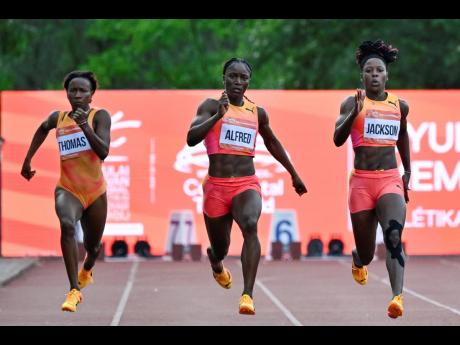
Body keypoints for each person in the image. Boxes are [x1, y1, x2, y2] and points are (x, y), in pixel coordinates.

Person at [187, 58, 307, 315]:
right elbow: (191, 138)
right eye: (233, 76)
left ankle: (247, 295)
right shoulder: (209, 106)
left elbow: (273, 143)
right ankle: (216, 261)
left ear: (249, 82)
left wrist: (294, 174)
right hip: (216, 187)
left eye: (243, 78)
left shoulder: (257, 113)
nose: (238, 82)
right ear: (224, 78)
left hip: (245, 183)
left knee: (251, 225)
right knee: (221, 247)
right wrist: (217, 117)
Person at [21, 71, 111, 312]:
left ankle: (87, 268)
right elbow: (42, 129)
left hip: (95, 191)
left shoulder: (99, 116)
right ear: (67, 93)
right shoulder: (58, 118)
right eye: (73, 90)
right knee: (68, 226)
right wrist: (27, 160)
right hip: (68, 188)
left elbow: (103, 151)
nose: (78, 94)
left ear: (91, 95)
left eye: (83, 91)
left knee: (93, 247)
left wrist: (84, 126)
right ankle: (74, 290)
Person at [333, 40, 411, 319]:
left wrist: (408, 173)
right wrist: (353, 113)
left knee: (393, 237)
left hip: (389, 179)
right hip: (362, 183)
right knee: (367, 252)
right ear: (363, 75)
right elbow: (337, 140)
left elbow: (402, 136)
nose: (375, 75)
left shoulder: (399, 105)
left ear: (386, 75)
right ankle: (359, 259)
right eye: (369, 71)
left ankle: (397, 297)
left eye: (379, 70)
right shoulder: (351, 102)